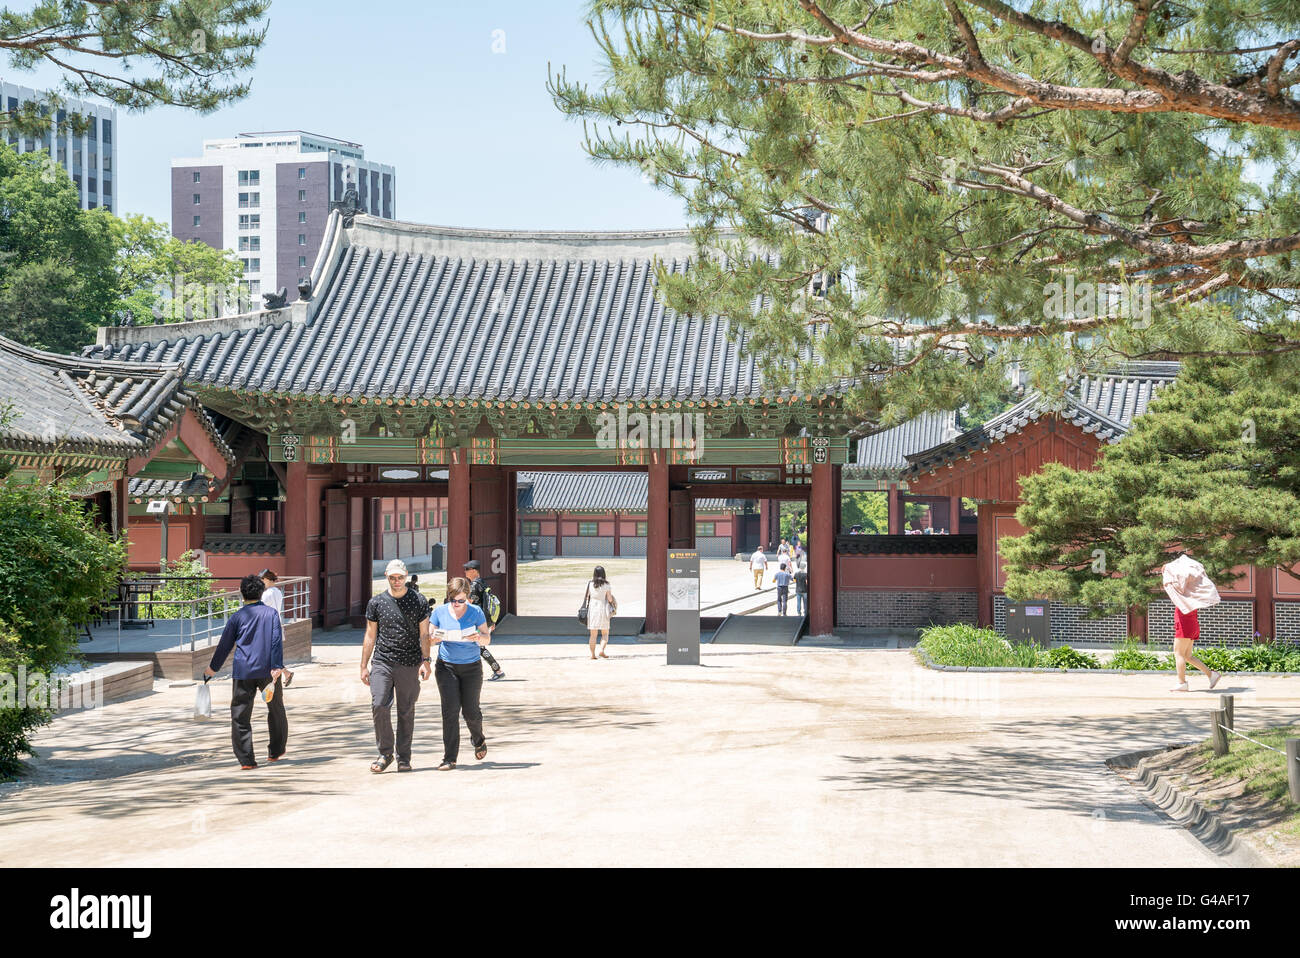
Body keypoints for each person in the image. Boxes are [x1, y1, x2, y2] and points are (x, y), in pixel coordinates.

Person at [204, 574, 286, 770]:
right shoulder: (271, 614)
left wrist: (213, 668)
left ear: (242, 594)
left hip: (243, 670)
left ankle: (247, 760)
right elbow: (276, 641)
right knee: (276, 710)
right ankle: (275, 751)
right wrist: (277, 666)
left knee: (240, 715)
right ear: (262, 592)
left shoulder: (237, 617)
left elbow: (225, 645)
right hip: (268, 670)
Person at [361, 559, 431, 773]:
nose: (397, 581)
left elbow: (424, 634)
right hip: (382, 661)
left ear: (406, 576)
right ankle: (385, 752)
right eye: (393, 577)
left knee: (406, 710)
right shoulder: (376, 602)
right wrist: (364, 665)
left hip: (409, 662)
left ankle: (403, 757)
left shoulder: (418, 601)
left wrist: (426, 661)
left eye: (400, 577)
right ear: (387, 577)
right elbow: (370, 635)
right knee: (379, 704)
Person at [430, 577, 493, 770]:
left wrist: (478, 637)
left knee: (470, 711)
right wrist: (439, 635)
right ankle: (450, 758)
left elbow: (487, 639)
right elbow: (429, 639)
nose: (457, 604)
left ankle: (478, 738)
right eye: (453, 600)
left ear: (468, 599)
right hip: (447, 666)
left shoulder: (476, 612)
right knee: (450, 712)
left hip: (471, 667)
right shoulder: (439, 612)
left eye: (461, 600)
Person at [1163, 553, 1223, 692]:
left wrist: (1167, 569)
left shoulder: (1183, 596)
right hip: (1192, 625)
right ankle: (1212, 675)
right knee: (1187, 656)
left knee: (1178, 653)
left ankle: (1182, 682)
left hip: (1184, 625)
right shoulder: (1191, 596)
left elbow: (1176, 579)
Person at [463, 559, 505, 680]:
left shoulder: (475, 585)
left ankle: (497, 670)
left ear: (474, 571)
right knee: (477, 646)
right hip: (485, 620)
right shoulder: (483, 583)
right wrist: (492, 621)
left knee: (477, 646)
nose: (465, 571)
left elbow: (470, 604)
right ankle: (496, 670)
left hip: (478, 621)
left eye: (467, 569)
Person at [258, 569, 294, 688]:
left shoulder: (267, 594)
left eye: (262, 579)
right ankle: (285, 673)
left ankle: (275, 679)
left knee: (268, 655)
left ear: (267, 579)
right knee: (271, 654)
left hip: (267, 625)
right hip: (276, 622)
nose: (261, 582)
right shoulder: (278, 591)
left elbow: (259, 608)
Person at [584, 565, 618, 659]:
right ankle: (602, 650)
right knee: (605, 633)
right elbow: (610, 599)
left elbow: (587, 597)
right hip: (603, 608)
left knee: (593, 635)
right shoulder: (607, 585)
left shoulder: (590, 584)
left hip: (593, 609)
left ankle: (592, 655)